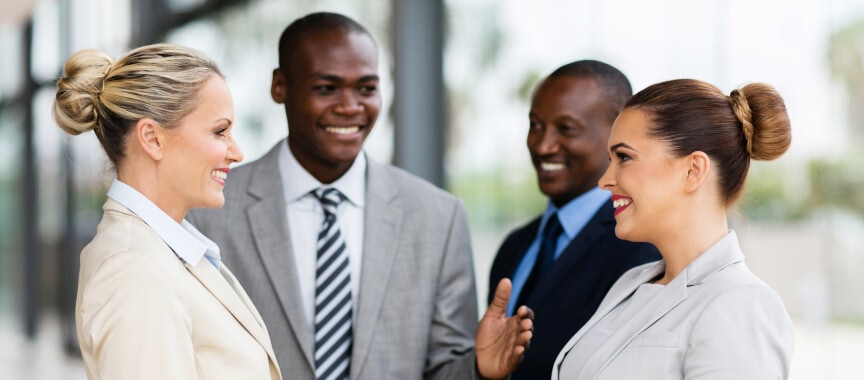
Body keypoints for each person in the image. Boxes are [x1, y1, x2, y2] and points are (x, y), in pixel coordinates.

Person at [187, 12, 533, 380]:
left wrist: (479, 369)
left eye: (366, 89)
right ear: (280, 86)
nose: (350, 106)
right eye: (326, 88)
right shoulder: (205, 210)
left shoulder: (438, 217)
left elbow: (445, 367)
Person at [53, 44, 281, 379]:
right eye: (220, 131)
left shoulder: (163, 252)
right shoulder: (135, 270)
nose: (237, 152)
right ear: (152, 138)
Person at [552, 79, 796, 379]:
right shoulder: (631, 284)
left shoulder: (741, 304)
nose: (605, 180)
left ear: (693, 171)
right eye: (610, 160)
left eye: (624, 157)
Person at [487, 60, 661, 379]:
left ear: (617, 135)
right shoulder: (515, 247)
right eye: (535, 125)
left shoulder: (643, 251)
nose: (542, 145)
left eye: (566, 129)